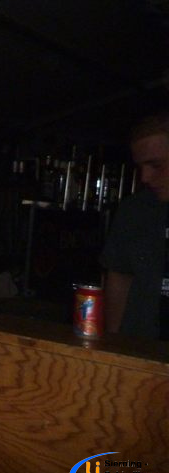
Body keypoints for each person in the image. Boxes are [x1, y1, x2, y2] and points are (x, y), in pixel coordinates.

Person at [100, 111, 169, 340]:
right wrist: (113, 344)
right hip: (140, 348)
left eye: (156, 165)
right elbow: (119, 278)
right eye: (140, 167)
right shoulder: (134, 211)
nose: (145, 177)